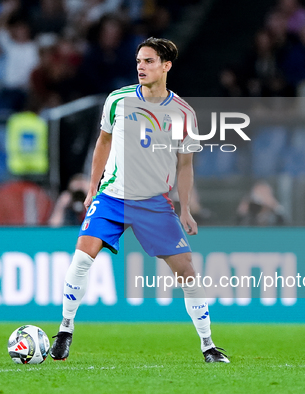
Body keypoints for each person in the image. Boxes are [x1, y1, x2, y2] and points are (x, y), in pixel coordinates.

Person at [49, 37, 229, 364]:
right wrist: (93, 188)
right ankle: (64, 329)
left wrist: (185, 208)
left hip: (154, 203)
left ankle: (208, 345)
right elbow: (102, 143)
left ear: (166, 66)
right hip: (112, 196)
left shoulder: (183, 112)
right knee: (82, 258)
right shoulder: (118, 100)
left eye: (148, 61)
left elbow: (185, 164)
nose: (141, 67)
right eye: (138, 61)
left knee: (187, 271)